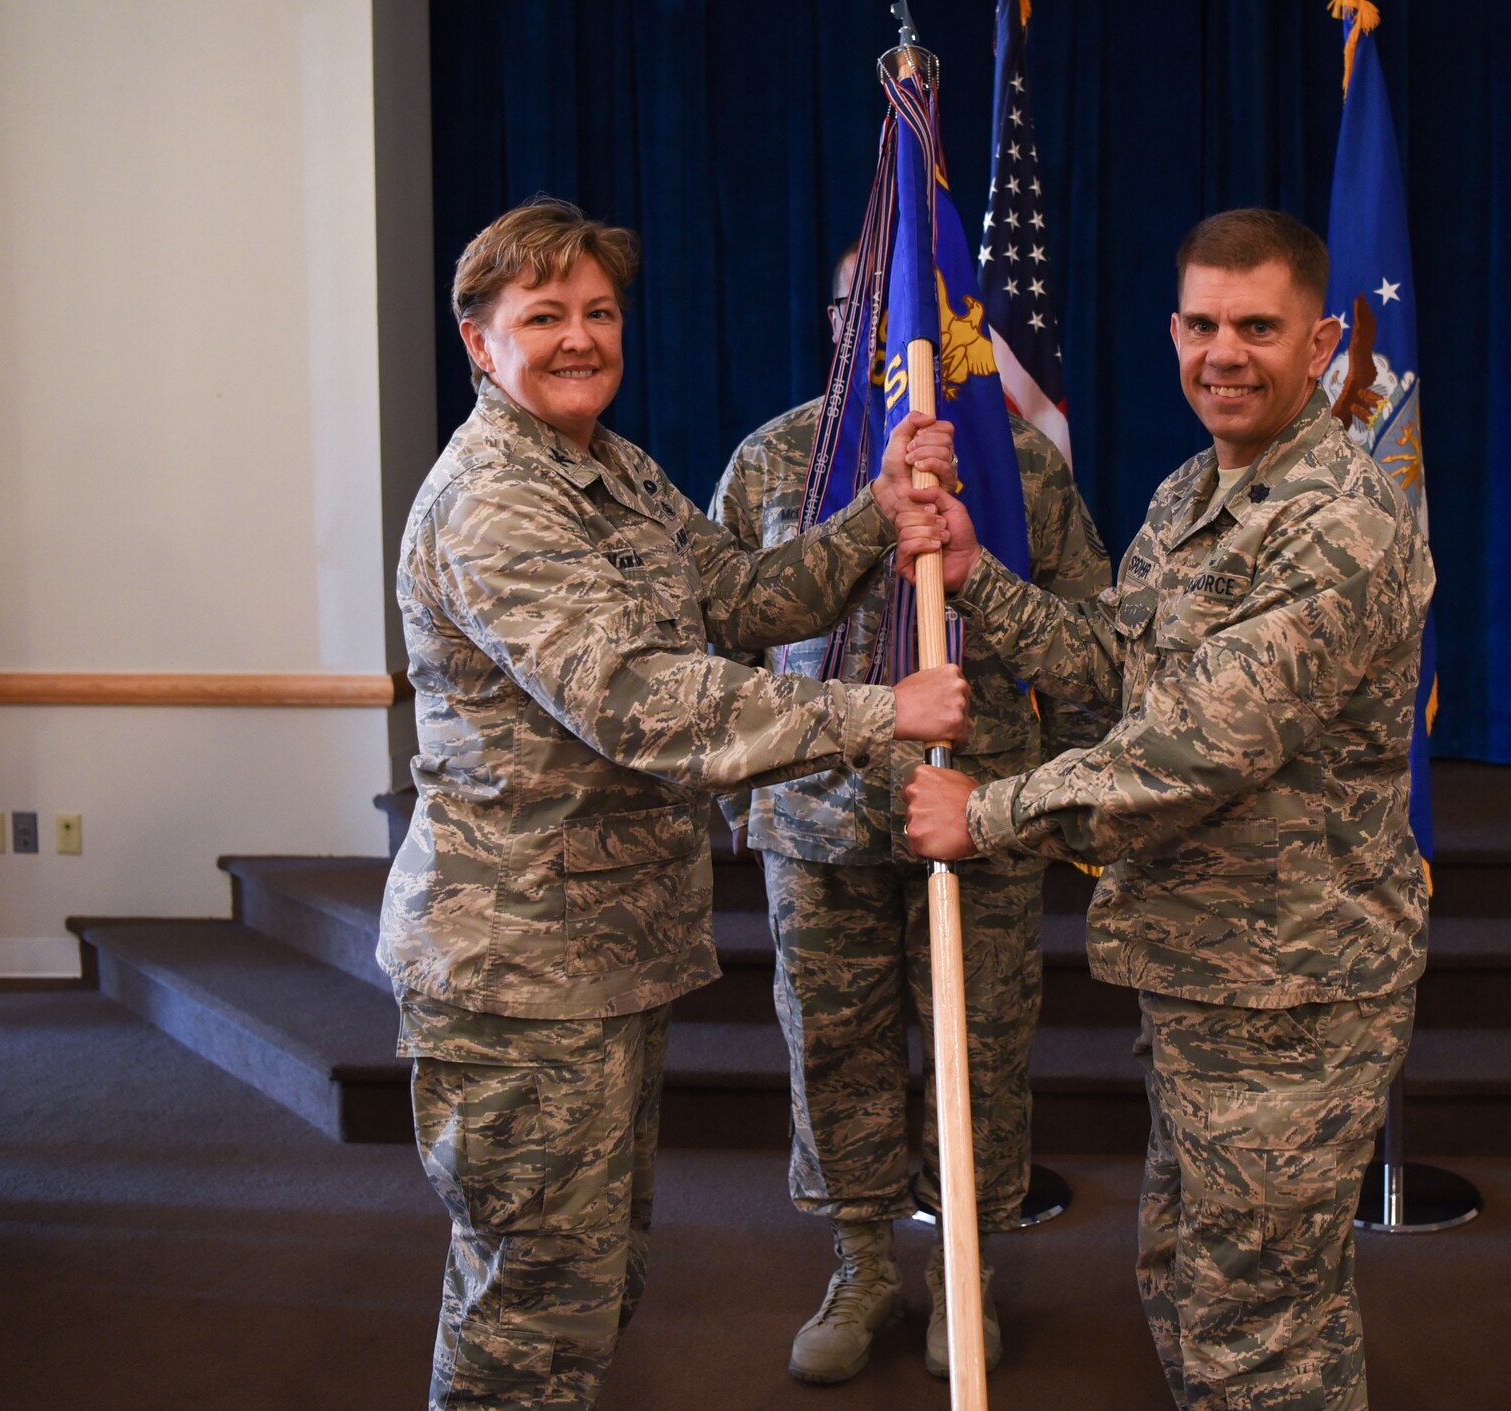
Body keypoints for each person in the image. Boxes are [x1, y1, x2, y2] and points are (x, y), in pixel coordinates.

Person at [377, 197, 971, 1411]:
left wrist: (875, 516)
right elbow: (636, 699)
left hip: (601, 956)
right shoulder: (495, 499)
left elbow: (742, 597)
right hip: (516, 972)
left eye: (598, 311)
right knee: (529, 1310)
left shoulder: (612, 469)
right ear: (478, 340)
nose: (582, 337)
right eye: (544, 316)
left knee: (586, 1286)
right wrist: (876, 714)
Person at [899, 208, 1433, 1410]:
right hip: (1205, 976)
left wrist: (984, 814)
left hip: (1291, 991)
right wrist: (981, 578)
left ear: (1324, 340)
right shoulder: (1193, 491)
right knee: (1195, 1291)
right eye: (1200, 324)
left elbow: (1198, 746)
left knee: (1258, 1335)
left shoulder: (1338, 523)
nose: (1222, 353)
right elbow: (1121, 666)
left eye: (1257, 327)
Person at [707, 245, 1112, 1384]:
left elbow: (1100, 641)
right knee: (833, 1047)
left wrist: (1050, 803)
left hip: (977, 808)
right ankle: (859, 1264)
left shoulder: (1014, 460)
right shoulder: (773, 460)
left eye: (914, 322)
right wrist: (752, 795)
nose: (892, 344)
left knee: (976, 1051)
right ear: (835, 324)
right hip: (816, 817)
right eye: (867, 316)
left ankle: (960, 1267)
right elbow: (715, 641)